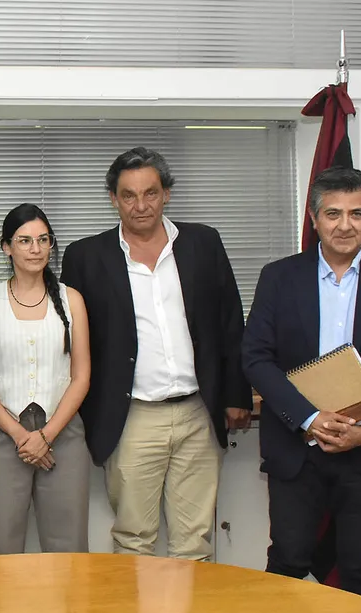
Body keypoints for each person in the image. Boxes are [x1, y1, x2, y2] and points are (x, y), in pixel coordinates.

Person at [242, 166, 361, 600]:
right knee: (287, 561)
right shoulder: (279, 276)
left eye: (357, 213)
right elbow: (256, 357)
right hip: (296, 446)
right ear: (314, 218)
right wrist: (309, 419)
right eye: (333, 214)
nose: (345, 225)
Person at [61, 147, 252, 561]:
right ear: (113, 199)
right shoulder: (85, 257)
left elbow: (230, 322)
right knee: (134, 539)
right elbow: (72, 340)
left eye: (150, 193)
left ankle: (188, 608)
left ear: (166, 193)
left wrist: (237, 394)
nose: (141, 205)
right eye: (128, 195)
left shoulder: (203, 242)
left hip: (198, 412)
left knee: (195, 540)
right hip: (132, 417)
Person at [0, 203, 92, 555]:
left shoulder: (71, 299)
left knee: (68, 547)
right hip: (1, 434)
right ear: (6, 247)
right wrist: (20, 434)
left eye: (43, 240)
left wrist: (46, 435)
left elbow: (81, 376)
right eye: (24, 240)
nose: (36, 249)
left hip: (63, 433)